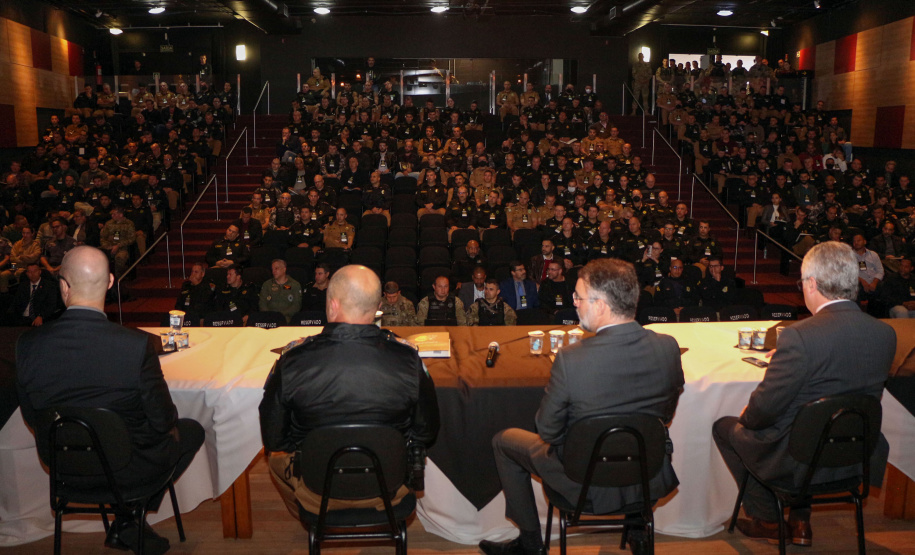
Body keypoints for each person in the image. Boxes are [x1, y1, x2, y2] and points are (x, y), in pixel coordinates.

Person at [480, 259, 683, 555]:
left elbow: (547, 430)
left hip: (583, 482)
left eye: (579, 296)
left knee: (503, 441)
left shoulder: (571, 359)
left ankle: (530, 545)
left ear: (600, 305)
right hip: (646, 477)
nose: (574, 303)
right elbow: (665, 415)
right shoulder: (668, 347)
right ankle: (637, 528)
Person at [16, 246, 204, 554]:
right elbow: (163, 420)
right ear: (111, 282)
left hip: (67, 469)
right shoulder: (135, 345)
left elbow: (33, 416)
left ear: (63, 286)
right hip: (128, 471)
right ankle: (130, 518)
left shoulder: (27, 345)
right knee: (191, 429)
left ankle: (127, 520)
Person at [713, 241, 896, 547]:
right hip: (855, 454)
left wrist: (748, 416)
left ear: (811, 283)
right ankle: (800, 522)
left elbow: (764, 410)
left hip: (798, 460)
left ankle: (769, 521)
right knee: (808, 424)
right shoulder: (885, 334)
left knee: (726, 428)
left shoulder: (800, 335)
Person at [258, 264, 440, 516]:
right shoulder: (408, 359)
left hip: (317, 488)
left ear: (333, 304)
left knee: (276, 460)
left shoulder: (292, 360)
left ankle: (310, 514)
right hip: (389, 486)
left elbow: (274, 438)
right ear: (377, 307)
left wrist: (309, 446)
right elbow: (426, 431)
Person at [9, 262, 59, 326]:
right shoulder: (23, 286)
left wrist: (41, 316)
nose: (32, 274)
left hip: (39, 317)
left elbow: (51, 305)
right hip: (22, 318)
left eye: (35, 271)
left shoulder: (49, 286)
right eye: (30, 272)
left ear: (39, 272)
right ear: (27, 274)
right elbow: (16, 303)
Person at [259, 259, 302, 323]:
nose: (273, 271)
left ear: (284, 269)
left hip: (287, 319)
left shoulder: (294, 285)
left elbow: (296, 305)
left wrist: (280, 315)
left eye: (276, 268)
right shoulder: (267, 284)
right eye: (272, 269)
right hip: (269, 319)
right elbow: (262, 303)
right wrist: (269, 315)